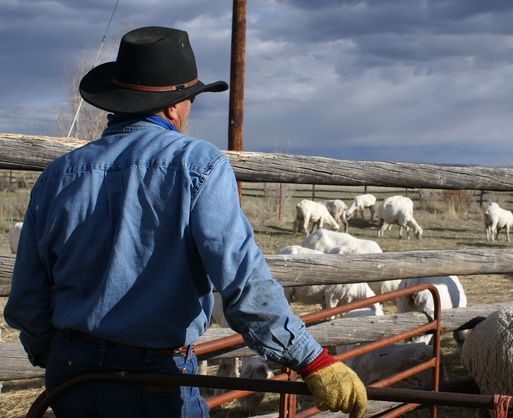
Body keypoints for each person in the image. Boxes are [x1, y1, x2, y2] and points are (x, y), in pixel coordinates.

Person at [4, 26, 367, 418]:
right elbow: (244, 281)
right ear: (175, 106)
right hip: (154, 379)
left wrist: (52, 352)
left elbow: (28, 295)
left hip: (72, 375)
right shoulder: (198, 165)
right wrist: (311, 360)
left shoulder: (60, 174)